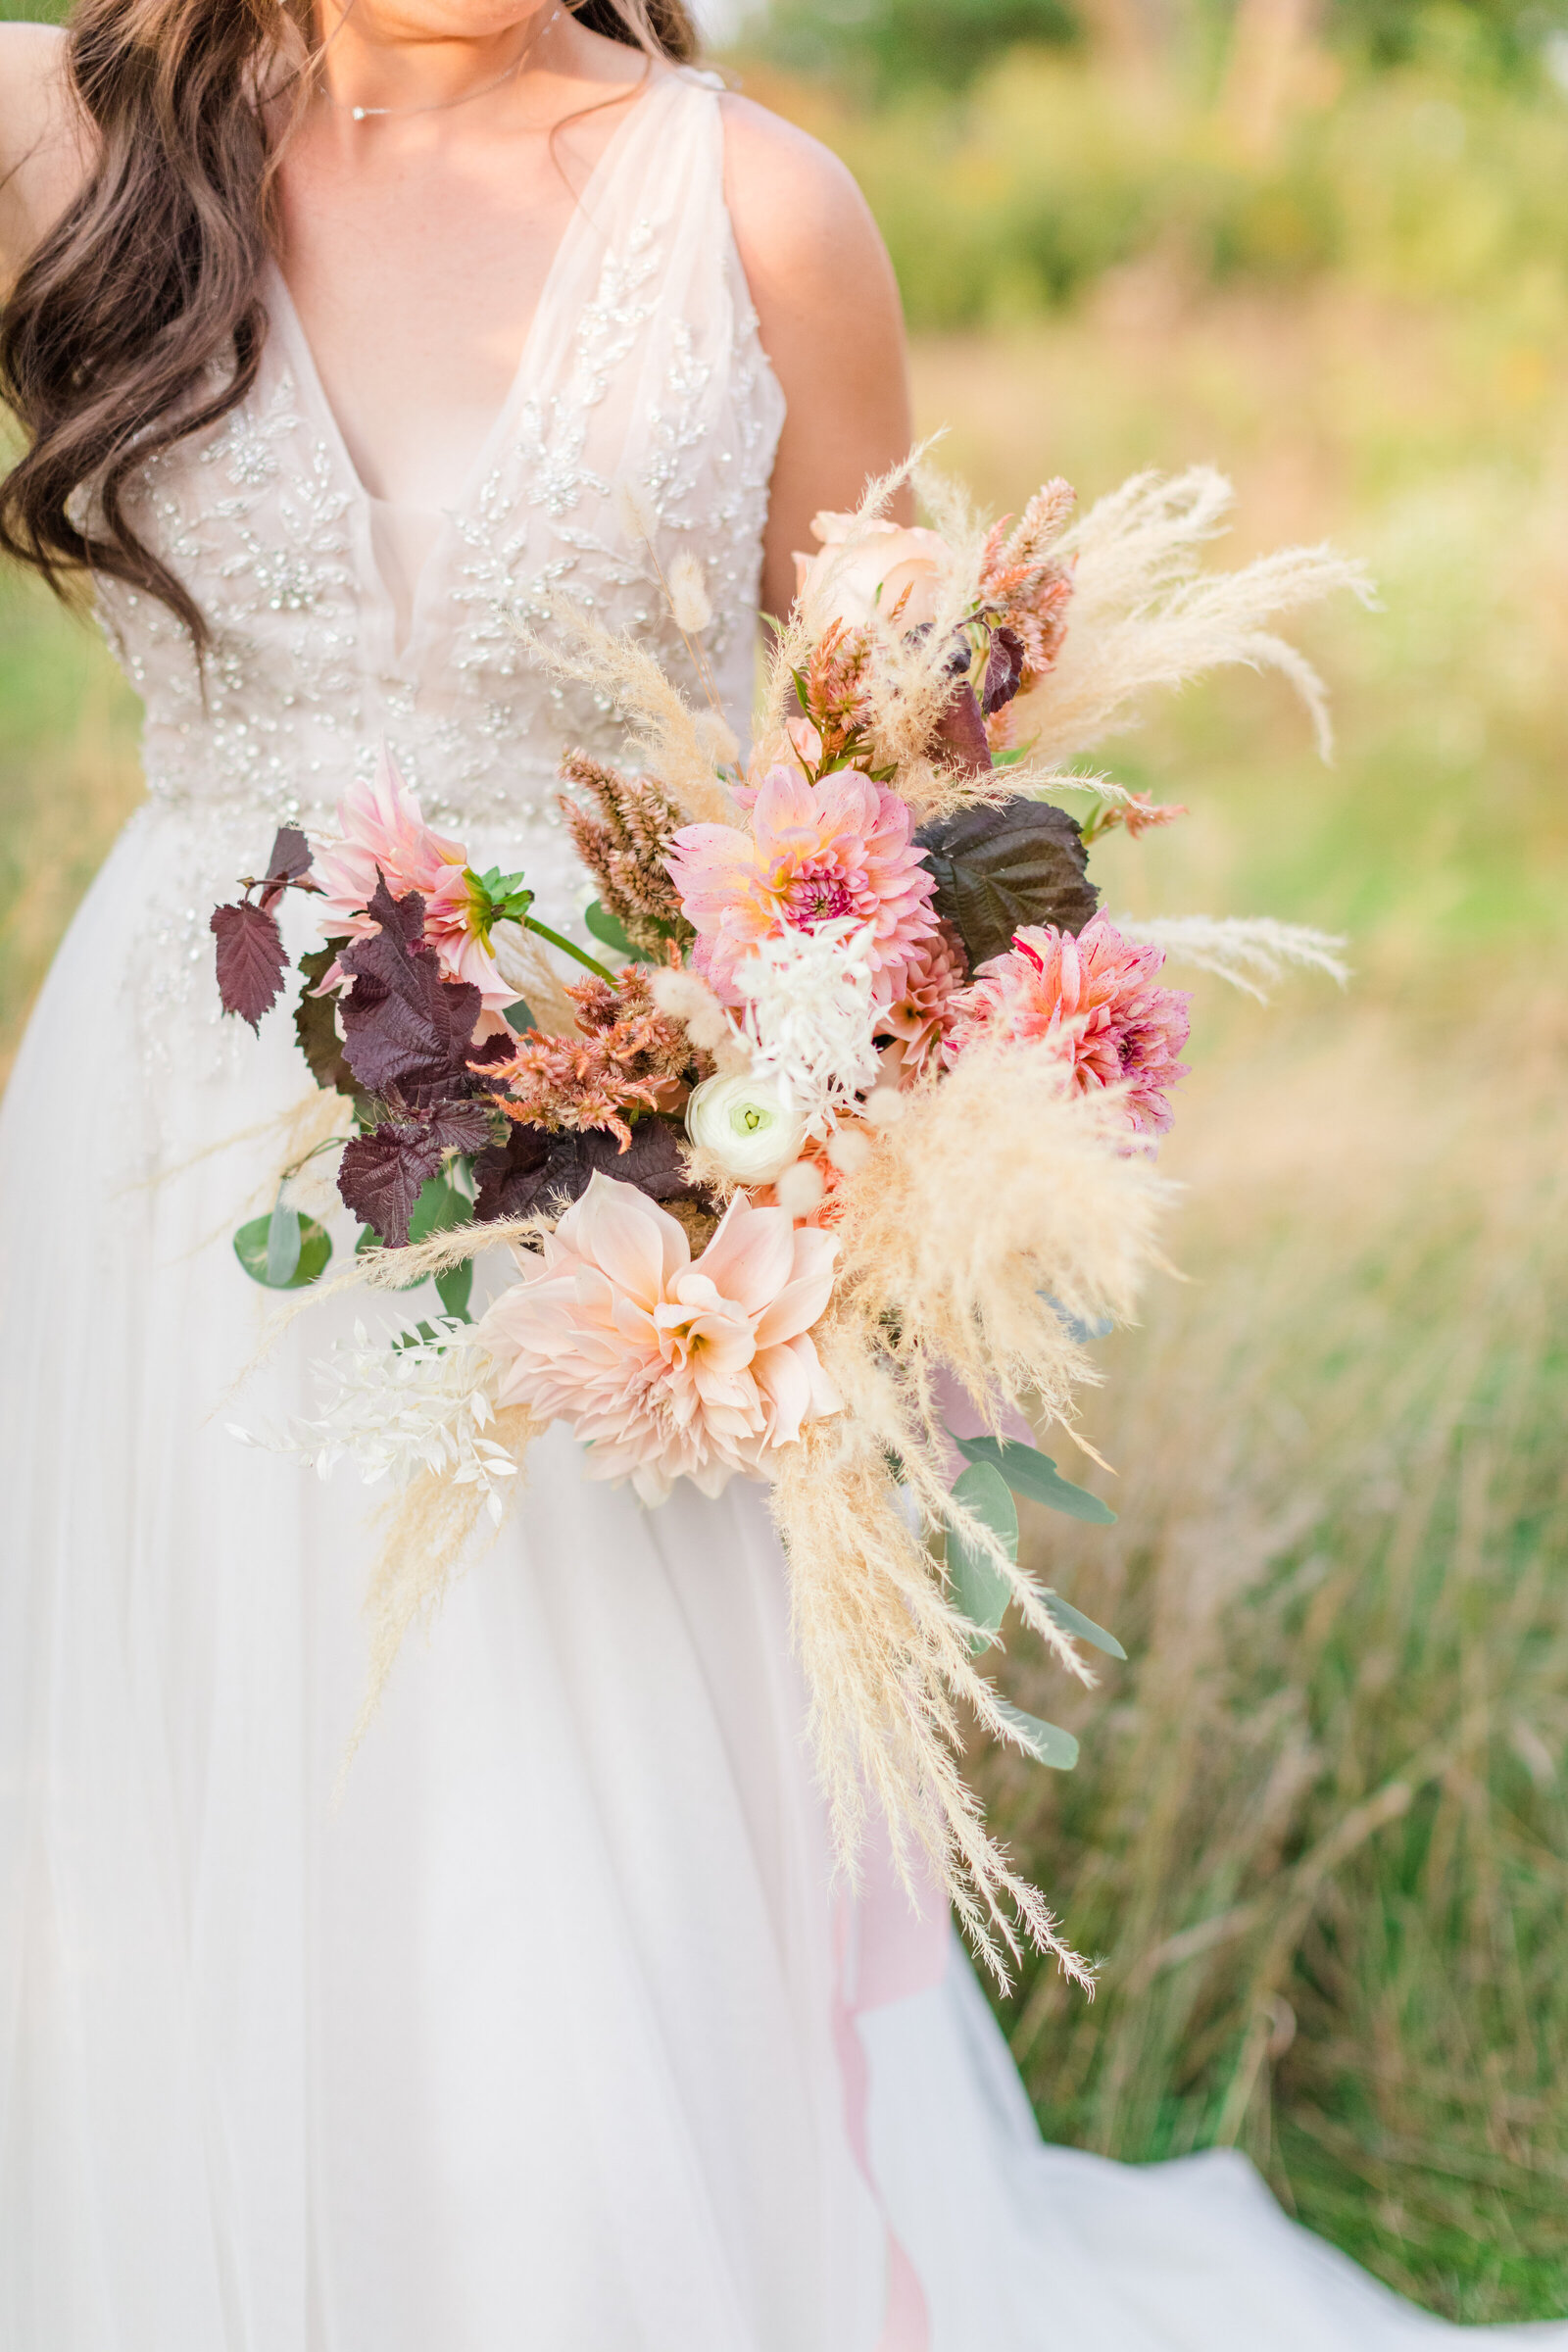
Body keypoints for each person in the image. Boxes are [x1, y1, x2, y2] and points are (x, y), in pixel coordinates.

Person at [0, 6, 1561, 2345]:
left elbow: (886, 806)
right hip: (171, 1133)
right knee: (175, 1796)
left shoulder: (754, 210)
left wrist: (864, 1175)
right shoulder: (51, 123)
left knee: (554, 1853)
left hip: (599, 1163)